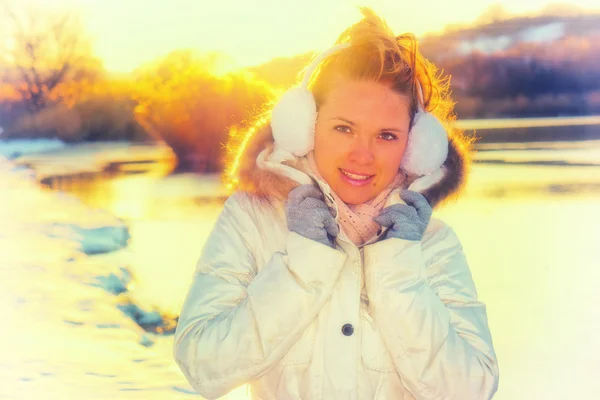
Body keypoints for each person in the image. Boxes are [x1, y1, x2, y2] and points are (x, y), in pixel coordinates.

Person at [174, 7, 499, 400]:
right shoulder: (250, 220)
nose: (363, 156)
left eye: (387, 136)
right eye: (344, 128)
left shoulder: (430, 242)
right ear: (306, 126)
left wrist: (398, 269)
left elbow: (473, 390)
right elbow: (203, 367)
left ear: (415, 147)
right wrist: (304, 263)